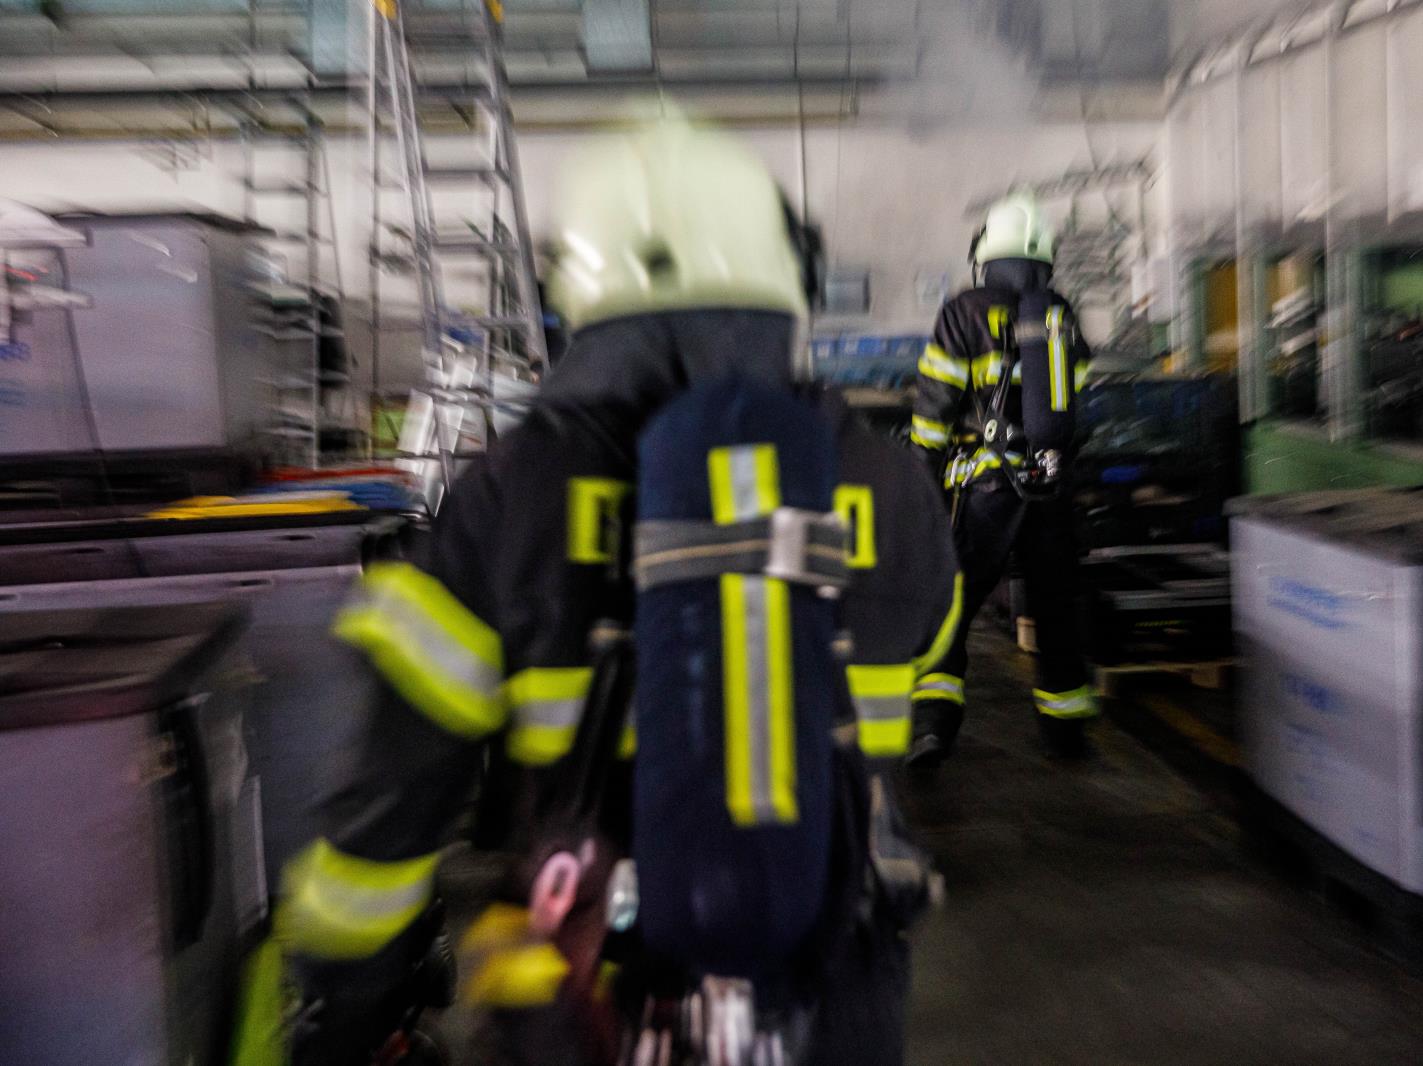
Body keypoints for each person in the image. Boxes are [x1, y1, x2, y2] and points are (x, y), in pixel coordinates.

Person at [257, 109, 960, 1066]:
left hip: (586, 1006)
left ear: (587, 293)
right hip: (832, 1006)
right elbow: (929, 655)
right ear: (781, 279)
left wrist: (340, 1010)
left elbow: (390, 809)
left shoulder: (511, 495)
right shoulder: (893, 486)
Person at [904, 192, 1097, 769]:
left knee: (951, 606)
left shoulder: (962, 313)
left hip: (987, 493)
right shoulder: (1059, 312)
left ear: (986, 252)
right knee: (1056, 608)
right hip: (1051, 489)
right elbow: (1077, 397)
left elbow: (934, 409)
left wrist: (923, 481)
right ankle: (1067, 732)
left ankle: (934, 725)